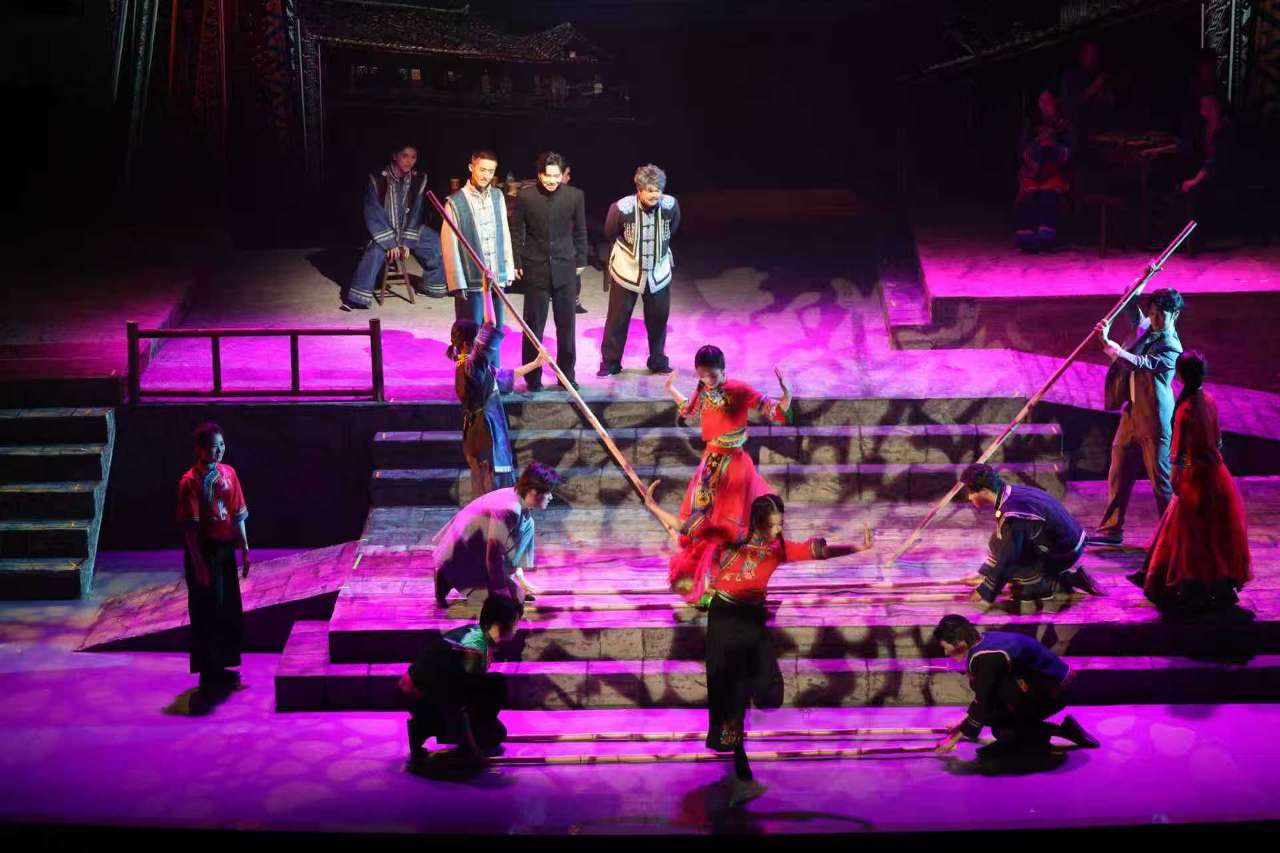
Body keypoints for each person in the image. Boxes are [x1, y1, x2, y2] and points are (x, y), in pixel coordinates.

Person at [646, 492, 873, 805]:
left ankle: (746, 699)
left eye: (780, 524)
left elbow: (818, 551)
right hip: (724, 619)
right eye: (771, 525)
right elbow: (688, 526)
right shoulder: (730, 536)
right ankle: (743, 776)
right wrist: (654, 507)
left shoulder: (778, 549)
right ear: (756, 522)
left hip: (752, 621)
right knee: (731, 698)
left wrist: (859, 547)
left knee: (769, 694)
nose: (777, 530)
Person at [662, 346, 791, 602]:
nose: (707, 380)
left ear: (724, 370)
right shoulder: (702, 389)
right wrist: (670, 389)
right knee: (703, 526)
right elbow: (688, 410)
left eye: (712, 375)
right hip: (710, 465)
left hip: (735, 466)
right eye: (702, 376)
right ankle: (706, 585)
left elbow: (773, 410)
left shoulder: (739, 389)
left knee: (732, 527)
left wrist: (787, 392)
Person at [1133, 351, 1252, 619]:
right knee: (1215, 533)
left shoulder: (1185, 409)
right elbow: (1218, 440)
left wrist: (1177, 477)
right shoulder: (1208, 400)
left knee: (1190, 534)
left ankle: (1188, 586)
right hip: (1216, 473)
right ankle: (1218, 585)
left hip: (1196, 477)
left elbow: (1179, 453)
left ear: (1180, 375)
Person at [1089, 288, 1184, 546]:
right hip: (1131, 413)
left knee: (1160, 480)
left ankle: (1174, 535)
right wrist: (1138, 284)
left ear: (1175, 314)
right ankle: (1111, 530)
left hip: (1154, 418)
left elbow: (1140, 363)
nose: (1154, 319)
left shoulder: (1171, 346)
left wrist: (1111, 347)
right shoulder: (1147, 328)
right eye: (1152, 314)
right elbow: (1130, 305)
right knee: (1118, 470)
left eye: (1160, 315)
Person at [934, 615, 1100, 757]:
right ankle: (1016, 740)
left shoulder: (986, 658)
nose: (946, 653)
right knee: (994, 717)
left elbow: (984, 702)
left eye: (946, 647)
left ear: (959, 643)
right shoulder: (983, 640)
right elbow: (988, 694)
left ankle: (1060, 732)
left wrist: (953, 739)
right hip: (1045, 685)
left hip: (1054, 690)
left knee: (999, 724)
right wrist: (962, 725)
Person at [401, 595, 523, 768]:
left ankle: (430, 727)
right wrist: (471, 749)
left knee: (494, 733)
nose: (517, 628)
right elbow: (458, 700)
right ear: (498, 624)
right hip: (420, 697)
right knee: (496, 685)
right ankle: (425, 726)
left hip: (428, 690)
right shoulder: (473, 649)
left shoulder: (477, 634)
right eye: (515, 623)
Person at [448, 291, 547, 497]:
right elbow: (491, 324)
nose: (480, 341)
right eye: (477, 338)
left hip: (478, 431)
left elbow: (503, 377)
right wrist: (487, 289)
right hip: (485, 432)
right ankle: (496, 515)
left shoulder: (468, 365)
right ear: (467, 343)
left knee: (485, 481)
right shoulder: (471, 365)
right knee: (492, 482)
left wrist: (536, 363)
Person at [176, 422, 250, 695]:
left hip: (225, 549)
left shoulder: (229, 473)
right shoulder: (190, 482)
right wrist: (198, 564)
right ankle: (209, 673)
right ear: (199, 449)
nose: (218, 451)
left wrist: (244, 547)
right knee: (207, 610)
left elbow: (237, 513)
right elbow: (190, 530)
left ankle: (222, 667)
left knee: (228, 607)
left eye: (221, 445)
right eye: (212, 447)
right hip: (204, 552)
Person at [959, 464, 1100, 604]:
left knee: (1013, 560)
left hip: (1066, 551)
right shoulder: (1011, 493)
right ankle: (1070, 580)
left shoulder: (1014, 511)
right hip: (1070, 541)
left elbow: (1009, 557)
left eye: (971, 492)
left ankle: (1038, 589)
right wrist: (984, 574)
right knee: (998, 539)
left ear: (984, 491)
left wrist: (985, 590)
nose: (969, 497)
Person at [432, 462, 563, 608]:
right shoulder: (510, 509)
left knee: (528, 525)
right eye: (548, 492)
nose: (551, 497)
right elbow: (493, 556)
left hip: (476, 548)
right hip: (458, 555)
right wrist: (501, 591)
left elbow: (513, 549)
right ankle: (446, 576)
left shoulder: (519, 502)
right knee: (512, 602)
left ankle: (497, 585)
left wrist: (519, 579)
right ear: (533, 491)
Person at [513, 151, 588, 391]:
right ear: (539, 174)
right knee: (533, 326)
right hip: (536, 267)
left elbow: (581, 231)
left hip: (565, 267)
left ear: (563, 174)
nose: (552, 181)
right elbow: (517, 232)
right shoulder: (525, 196)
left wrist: (581, 259)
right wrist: (517, 261)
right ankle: (532, 377)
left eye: (557, 176)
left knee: (566, 326)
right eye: (548, 176)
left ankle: (567, 375)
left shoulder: (575, 196)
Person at [598, 164, 682, 377]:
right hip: (627, 271)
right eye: (650, 190)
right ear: (639, 189)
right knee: (618, 319)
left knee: (659, 318)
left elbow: (672, 229)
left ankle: (658, 361)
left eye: (658, 190)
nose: (655, 195)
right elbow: (610, 232)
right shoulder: (621, 207)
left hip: (658, 272)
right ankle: (610, 363)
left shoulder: (671, 205)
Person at [342, 144, 445, 309]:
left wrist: (406, 243)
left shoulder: (418, 179)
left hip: (407, 229)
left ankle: (433, 285)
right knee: (375, 252)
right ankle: (358, 297)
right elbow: (373, 213)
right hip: (382, 229)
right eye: (405, 156)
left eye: (413, 157)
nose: (409, 161)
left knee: (435, 242)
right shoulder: (378, 179)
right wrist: (390, 243)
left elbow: (416, 212)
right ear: (395, 156)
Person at [442, 149, 517, 366]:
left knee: (495, 331)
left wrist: (507, 269)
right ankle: (468, 378)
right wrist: (457, 283)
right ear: (471, 168)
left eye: (490, 171)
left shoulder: (498, 196)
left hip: (495, 278)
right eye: (482, 170)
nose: (486, 175)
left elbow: (504, 233)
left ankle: (493, 377)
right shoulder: (455, 202)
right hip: (471, 280)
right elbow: (449, 245)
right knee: (470, 334)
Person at [1015, 90, 1073, 252]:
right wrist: (1037, 148)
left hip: (1054, 174)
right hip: (1033, 173)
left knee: (1048, 194)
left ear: (1055, 103)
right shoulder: (1031, 125)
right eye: (1042, 102)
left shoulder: (1064, 126)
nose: (1045, 106)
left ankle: (1046, 240)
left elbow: (1069, 153)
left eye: (1048, 102)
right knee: (1029, 196)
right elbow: (1023, 151)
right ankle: (1027, 241)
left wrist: (1052, 147)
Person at [1179, 93, 1239, 239]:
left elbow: (1216, 160)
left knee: (1195, 189)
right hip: (1210, 171)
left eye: (1206, 105)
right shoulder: (1205, 128)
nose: (1202, 108)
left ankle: (1193, 237)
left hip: (1223, 174)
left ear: (1215, 107)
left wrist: (1196, 180)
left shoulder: (1224, 129)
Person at [561, 165, 590, 314]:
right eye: (566, 174)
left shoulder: (574, 195)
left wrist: (581, 258)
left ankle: (574, 301)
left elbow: (580, 228)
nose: (569, 177)